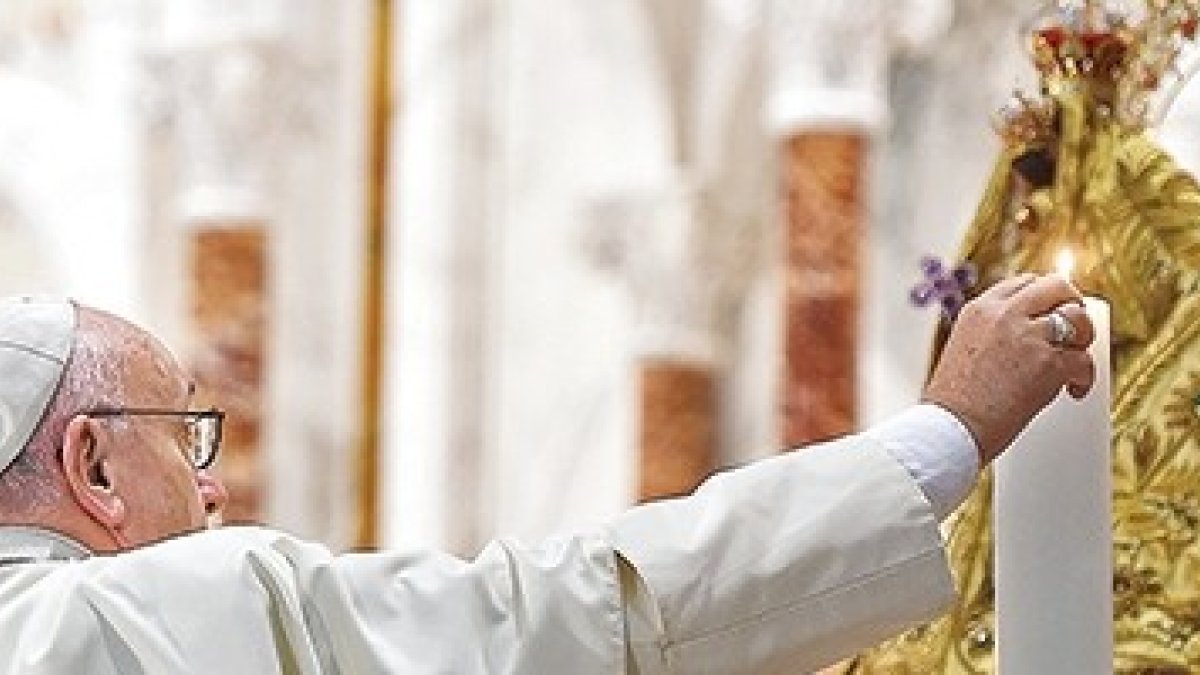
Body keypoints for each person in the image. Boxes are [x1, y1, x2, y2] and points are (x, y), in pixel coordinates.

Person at [0, 275, 1093, 674]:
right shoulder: (135, 626)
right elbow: (565, 616)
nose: (215, 490)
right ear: (91, 460)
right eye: (186, 439)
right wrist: (945, 437)